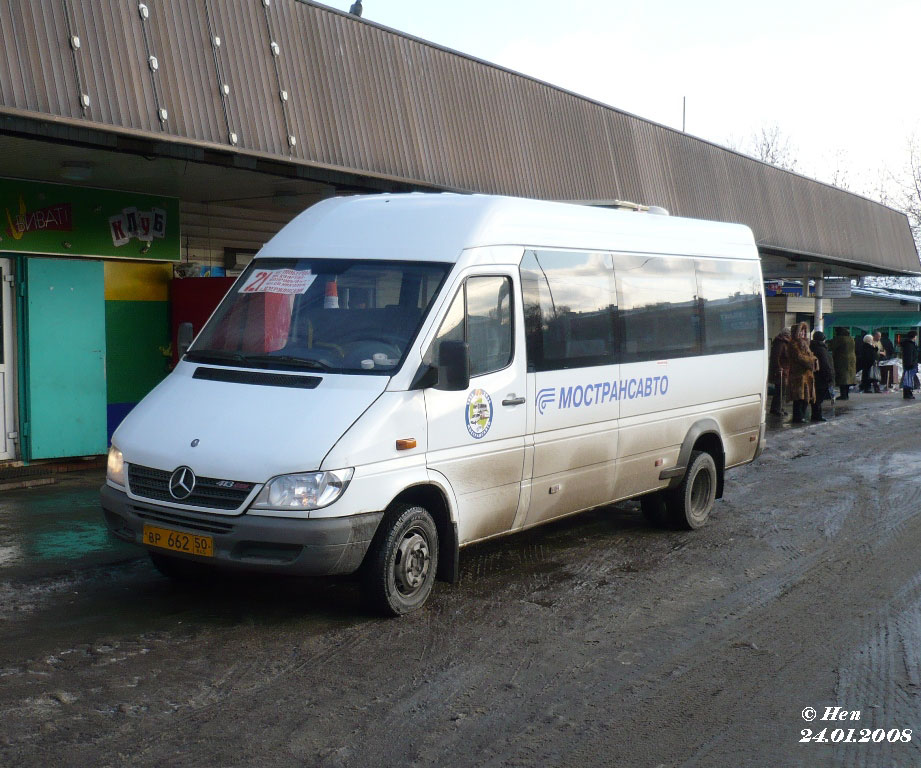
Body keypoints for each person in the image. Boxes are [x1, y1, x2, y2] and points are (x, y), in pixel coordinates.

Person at [788, 322, 817, 423]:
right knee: (799, 398)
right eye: (801, 331)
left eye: (804, 332)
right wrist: (811, 361)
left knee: (806, 397)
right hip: (798, 375)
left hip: (806, 375)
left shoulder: (806, 344)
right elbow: (799, 357)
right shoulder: (793, 344)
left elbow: (811, 356)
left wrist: (812, 360)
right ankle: (798, 417)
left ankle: (801, 416)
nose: (803, 334)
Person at [810, 330, 835, 422]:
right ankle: (817, 415)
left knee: (816, 396)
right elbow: (825, 364)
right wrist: (829, 376)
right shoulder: (822, 349)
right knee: (819, 397)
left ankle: (816, 414)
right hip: (822, 377)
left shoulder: (812, 347)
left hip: (816, 375)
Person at [768, 328, 791, 416]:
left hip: (785, 370)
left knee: (782, 391)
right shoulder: (781, 343)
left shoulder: (785, 342)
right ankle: (776, 409)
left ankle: (779, 408)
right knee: (780, 391)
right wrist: (778, 367)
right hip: (781, 371)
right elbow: (776, 357)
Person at [829, 326, 856, 400]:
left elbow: (830, 346)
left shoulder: (840, 339)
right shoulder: (851, 339)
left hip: (842, 360)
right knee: (848, 378)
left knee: (843, 378)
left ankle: (843, 395)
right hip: (851, 361)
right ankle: (846, 395)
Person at [901, 330, 918, 400]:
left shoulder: (909, 344)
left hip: (909, 364)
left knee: (908, 379)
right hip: (909, 365)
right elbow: (909, 355)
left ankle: (908, 393)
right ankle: (908, 393)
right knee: (908, 380)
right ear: (914, 336)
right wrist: (910, 364)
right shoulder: (909, 344)